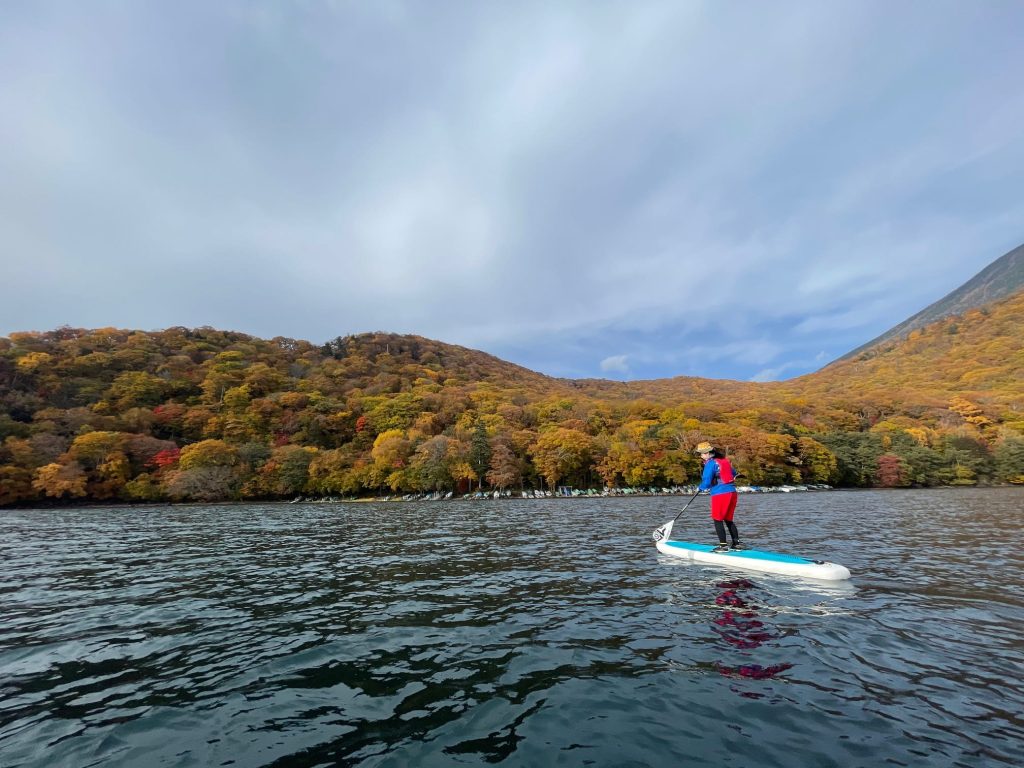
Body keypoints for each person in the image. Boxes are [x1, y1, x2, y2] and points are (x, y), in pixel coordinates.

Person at [696, 441, 744, 553]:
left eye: (702, 454)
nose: (701, 456)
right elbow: (734, 473)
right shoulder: (724, 461)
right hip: (732, 493)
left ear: (708, 453)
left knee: (717, 519)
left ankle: (723, 546)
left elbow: (707, 480)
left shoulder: (710, 463)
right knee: (728, 519)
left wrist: (701, 488)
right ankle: (736, 544)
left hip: (720, 494)